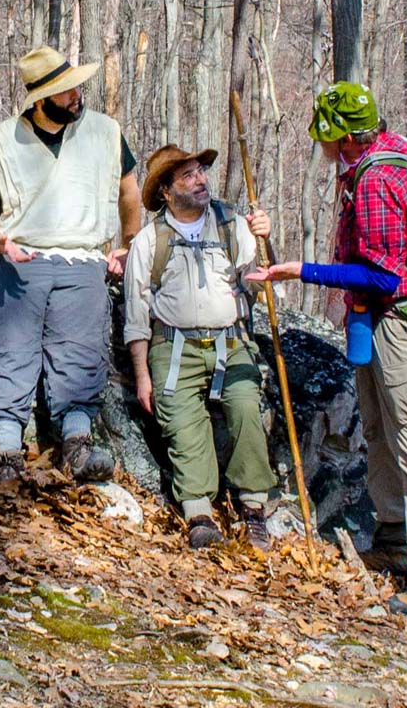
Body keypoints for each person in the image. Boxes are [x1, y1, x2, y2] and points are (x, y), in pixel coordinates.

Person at [247, 82, 407, 616]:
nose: (321, 145)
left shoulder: (379, 179)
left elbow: (384, 275)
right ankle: (394, 540)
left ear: (343, 137)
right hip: (382, 323)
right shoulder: (386, 159)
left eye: (325, 135)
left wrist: (301, 271)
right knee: (379, 428)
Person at [0, 46, 141, 484]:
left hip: (83, 257)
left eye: (76, 86)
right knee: (10, 351)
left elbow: (130, 192)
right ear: (39, 99)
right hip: (19, 256)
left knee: (81, 351)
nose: (76, 95)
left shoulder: (105, 132)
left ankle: (76, 445)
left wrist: (129, 243)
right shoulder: (0, 144)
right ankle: (6, 452)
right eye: (64, 92)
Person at [123, 144, 277, 550]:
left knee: (246, 406)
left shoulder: (230, 225)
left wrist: (265, 239)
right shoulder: (149, 241)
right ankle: (199, 514)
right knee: (181, 420)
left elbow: (260, 276)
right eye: (188, 176)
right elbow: (137, 314)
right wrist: (142, 375)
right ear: (166, 193)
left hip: (232, 341)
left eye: (201, 173)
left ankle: (254, 508)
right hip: (173, 348)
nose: (200, 180)